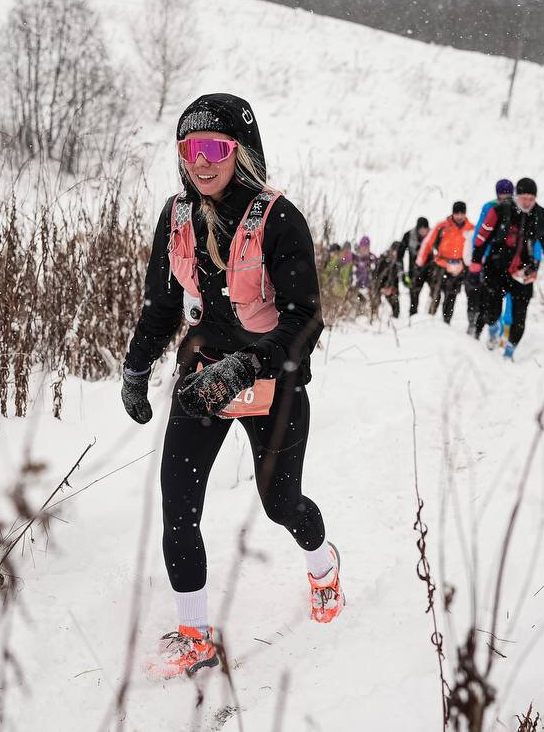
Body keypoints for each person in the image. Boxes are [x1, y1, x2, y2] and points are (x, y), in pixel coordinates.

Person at [121, 93, 344, 680]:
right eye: (190, 148)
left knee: (281, 504)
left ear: (240, 152)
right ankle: (196, 633)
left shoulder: (279, 218)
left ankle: (322, 565)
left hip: (274, 379)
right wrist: (137, 365)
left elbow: (305, 319)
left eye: (215, 147)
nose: (202, 160)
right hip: (203, 379)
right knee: (178, 505)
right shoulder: (176, 218)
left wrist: (247, 367)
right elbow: (161, 305)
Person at [470, 177, 544, 360]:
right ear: (516, 196)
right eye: (524, 198)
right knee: (491, 312)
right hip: (496, 269)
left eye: (531, 199)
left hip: (524, 273)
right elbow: (481, 239)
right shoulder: (499, 210)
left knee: (519, 317)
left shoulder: (541, 216)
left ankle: (509, 352)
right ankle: (493, 327)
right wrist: (475, 267)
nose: (527, 203)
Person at [466, 179, 516, 337]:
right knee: (489, 296)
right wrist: (480, 258)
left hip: (513, 261)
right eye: (502, 194)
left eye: (509, 194)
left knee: (511, 297)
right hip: (492, 260)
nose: (505, 197)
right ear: (497, 194)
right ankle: (491, 325)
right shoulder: (489, 207)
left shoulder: (519, 209)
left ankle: (506, 329)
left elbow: (529, 237)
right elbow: (480, 234)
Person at [417, 201, 475, 324]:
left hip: (459, 267)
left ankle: (446, 323)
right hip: (441, 265)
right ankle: (428, 319)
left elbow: (475, 247)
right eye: (457, 213)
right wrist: (420, 261)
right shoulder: (443, 226)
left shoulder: (470, 229)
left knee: (451, 296)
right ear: (453, 213)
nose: (459, 216)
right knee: (435, 294)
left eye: (462, 213)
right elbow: (428, 243)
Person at [398, 216, 431, 316]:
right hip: (415, 270)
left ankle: (431, 317)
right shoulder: (408, 236)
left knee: (435, 292)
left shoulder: (432, 235)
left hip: (430, 269)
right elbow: (400, 256)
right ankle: (413, 318)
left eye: (425, 229)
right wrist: (402, 273)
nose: (423, 232)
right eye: (421, 229)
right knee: (414, 296)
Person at [370, 240, 403, 319]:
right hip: (379, 286)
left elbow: (396, 279)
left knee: (396, 307)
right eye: (396, 251)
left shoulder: (398, 262)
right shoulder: (383, 259)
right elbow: (376, 276)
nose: (397, 254)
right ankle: (373, 319)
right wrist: (381, 288)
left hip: (390, 287)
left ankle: (394, 320)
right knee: (375, 305)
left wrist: (394, 289)